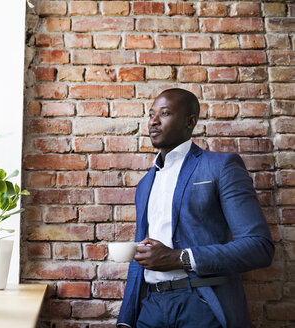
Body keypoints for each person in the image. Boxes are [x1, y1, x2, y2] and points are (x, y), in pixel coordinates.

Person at [117, 88, 274, 328]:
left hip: (201, 301)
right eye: (151, 114)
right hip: (151, 306)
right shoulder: (145, 183)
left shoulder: (221, 167)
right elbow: (141, 252)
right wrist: (126, 320)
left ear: (190, 122)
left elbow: (259, 247)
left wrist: (180, 258)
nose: (153, 121)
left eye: (165, 113)